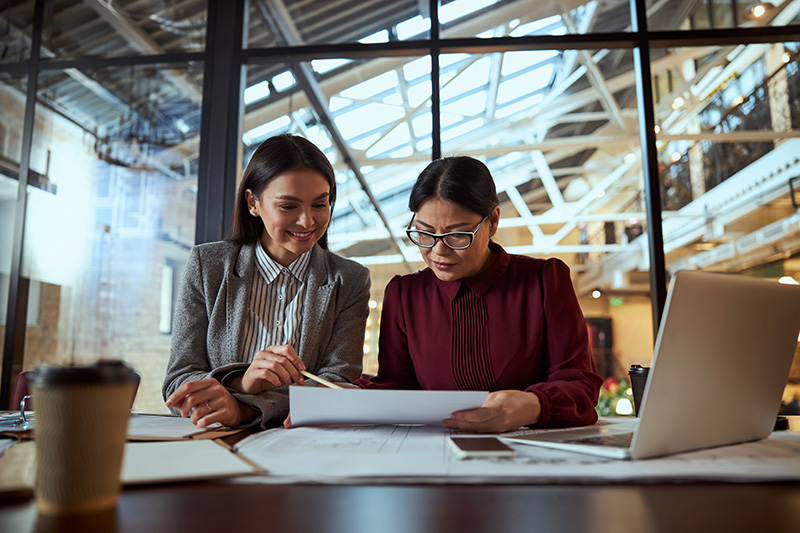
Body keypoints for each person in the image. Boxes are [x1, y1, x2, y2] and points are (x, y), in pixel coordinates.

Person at [355, 156, 602, 433]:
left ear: (493, 222)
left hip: (526, 452)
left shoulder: (543, 281)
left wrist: (533, 406)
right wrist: (347, 389)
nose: (439, 251)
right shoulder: (405, 294)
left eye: (457, 235)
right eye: (424, 234)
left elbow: (580, 387)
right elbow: (398, 387)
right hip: (436, 450)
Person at [163, 134, 371, 430]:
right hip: (212, 444)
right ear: (253, 203)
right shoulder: (206, 266)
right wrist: (243, 381)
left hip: (303, 448)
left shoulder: (350, 280)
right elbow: (178, 382)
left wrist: (243, 408)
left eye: (319, 205)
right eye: (288, 206)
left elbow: (335, 385)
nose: (307, 222)